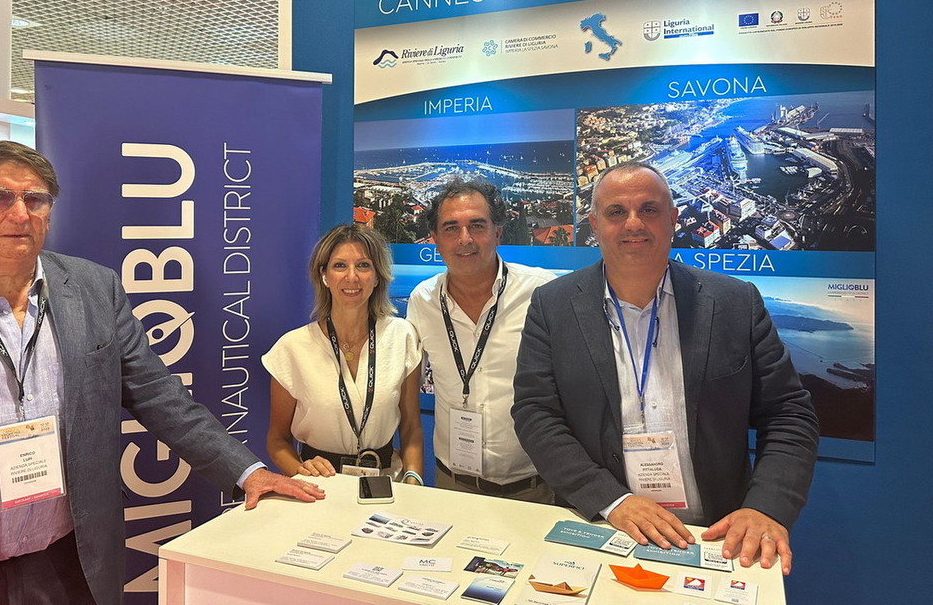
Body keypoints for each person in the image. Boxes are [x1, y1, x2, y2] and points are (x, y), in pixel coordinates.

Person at [0, 140, 325, 605]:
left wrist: (246, 472)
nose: (20, 213)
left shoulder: (94, 288)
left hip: (70, 560)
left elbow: (158, 395)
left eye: (35, 199)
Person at [512, 161, 819, 574]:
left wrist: (766, 507)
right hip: (605, 527)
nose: (633, 223)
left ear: (673, 219)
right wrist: (611, 500)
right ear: (595, 225)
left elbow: (788, 413)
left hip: (717, 535)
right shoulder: (553, 306)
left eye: (649, 209)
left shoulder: (735, 303)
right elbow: (535, 413)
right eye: (616, 211)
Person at [407, 178, 555, 502]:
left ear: (498, 232)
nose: (465, 239)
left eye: (477, 225)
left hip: (536, 489)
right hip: (452, 486)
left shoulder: (542, 292)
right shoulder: (422, 301)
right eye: (451, 228)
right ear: (435, 239)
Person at [263, 224, 424, 485]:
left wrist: (414, 480)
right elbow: (277, 440)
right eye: (339, 266)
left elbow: (411, 427)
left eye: (363, 265)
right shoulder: (292, 348)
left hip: (388, 486)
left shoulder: (402, 336)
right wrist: (300, 472)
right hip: (320, 488)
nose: (352, 276)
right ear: (324, 275)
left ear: (377, 276)